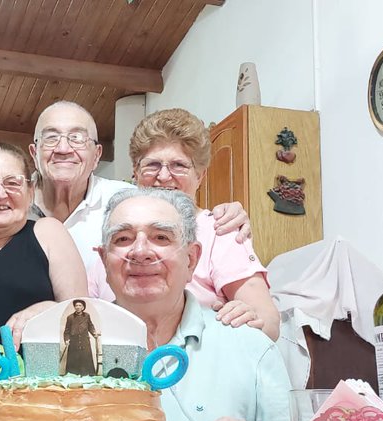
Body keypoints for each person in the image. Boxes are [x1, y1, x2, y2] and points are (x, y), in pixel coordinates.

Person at [97, 187, 293, 421]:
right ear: (104, 259)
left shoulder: (251, 346)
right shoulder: (65, 350)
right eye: (123, 238)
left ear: (191, 259)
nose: (140, 252)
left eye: (161, 237)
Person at [88, 108, 281, 340]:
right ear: (135, 173)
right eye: (152, 165)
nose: (164, 176)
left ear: (200, 175)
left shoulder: (220, 230)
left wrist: (245, 318)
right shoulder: (115, 237)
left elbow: (267, 322)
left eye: (178, 165)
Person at [29, 101, 252, 273]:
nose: (63, 148)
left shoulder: (125, 201)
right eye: (50, 138)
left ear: (97, 155)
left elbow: (178, 204)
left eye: (77, 138)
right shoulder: (5, 202)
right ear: (33, 152)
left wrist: (230, 214)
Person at [0, 142, 86, 342]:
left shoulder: (48, 232)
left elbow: (82, 315)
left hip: (38, 371)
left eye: (12, 183)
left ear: (31, 191)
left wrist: (50, 309)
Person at [60, 299, 99, 376]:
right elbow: (67, 330)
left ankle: (88, 375)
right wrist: (66, 339)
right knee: (74, 359)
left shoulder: (87, 316)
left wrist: (94, 333)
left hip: (85, 341)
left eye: (80, 305)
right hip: (74, 342)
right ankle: (73, 376)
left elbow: (90, 326)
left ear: (83, 307)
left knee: (86, 359)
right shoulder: (70, 317)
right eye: (76, 305)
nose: (78, 307)